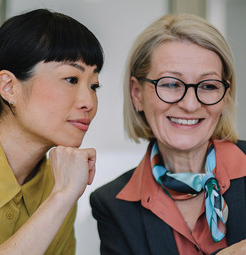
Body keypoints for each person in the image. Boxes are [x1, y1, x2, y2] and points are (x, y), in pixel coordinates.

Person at [0, 8, 103, 255]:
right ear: (9, 87)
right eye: (71, 79)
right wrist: (61, 197)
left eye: (94, 86)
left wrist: (61, 195)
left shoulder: (58, 182)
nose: (89, 102)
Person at [90, 13, 246, 255]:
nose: (191, 105)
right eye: (171, 84)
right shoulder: (113, 205)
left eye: (208, 86)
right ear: (137, 94)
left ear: (225, 96)